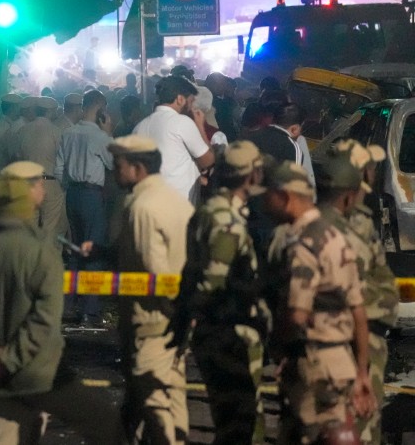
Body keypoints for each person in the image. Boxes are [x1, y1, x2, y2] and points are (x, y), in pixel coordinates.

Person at [0, 162, 122, 445]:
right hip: (38, 374)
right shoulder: (41, 254)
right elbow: (44, 319)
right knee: (107, 425)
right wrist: (9, 359)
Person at [263, 160, 374, 444]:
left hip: (313, 364)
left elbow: (297, 315)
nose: (264, 203)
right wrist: (362, 372)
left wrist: (278, 347)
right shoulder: (336, 237)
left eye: (268, 196)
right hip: (341, 362)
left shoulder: (304, 244)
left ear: (285, 197)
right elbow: (358, 311)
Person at [171, 141, 270, 445]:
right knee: (242, 425)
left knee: (232, 421)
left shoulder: (208, 210)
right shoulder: (227, 222)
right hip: (230, 333)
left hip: (214, 332)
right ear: (250, 175)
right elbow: (211, 283)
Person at [109, 135, 193, 445]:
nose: (114, 171)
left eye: (118, 165)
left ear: (138, 168)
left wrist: (169, 313)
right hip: (176, 318)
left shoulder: (143, 207)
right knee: (173, 395)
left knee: (154, 401)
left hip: (152, 320)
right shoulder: (175, 200)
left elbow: (154, 273)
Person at [323, 141, 398, 445]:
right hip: (355, 342)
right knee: (358, 427)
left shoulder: (358, 219)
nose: (373, 172)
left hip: (362, 338)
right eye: (368, 166)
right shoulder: (344, 229)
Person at [55, 89, 114, 326]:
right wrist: (108, 132)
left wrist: (69, 186)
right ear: (100, 109)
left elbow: (59, 168)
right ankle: (90, 311)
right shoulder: (99, 136)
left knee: (75, 251)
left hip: (73, 194)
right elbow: (113, 163)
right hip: (91, 195)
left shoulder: (68, 132)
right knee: (93, 252)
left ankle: (67, 305)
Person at [132, 74, 214, 204]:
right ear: (180, 99)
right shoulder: (181, 122)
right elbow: (208, 161)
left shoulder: (139, 127)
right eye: (190, 101)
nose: (192, 107)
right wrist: (200, 126)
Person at [4, 97, 66, 241]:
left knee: (29, 226)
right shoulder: (56, 131)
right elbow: (62, 158)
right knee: (50, 227)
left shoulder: (23, 130)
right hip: (50, 183)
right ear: (50, 111)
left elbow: (15, 156)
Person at [0, 94, 24, 162]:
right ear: (12, 108)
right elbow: (3, 150)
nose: (21, 108)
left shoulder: (20, 121)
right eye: (19, 106)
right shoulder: (1, 127)